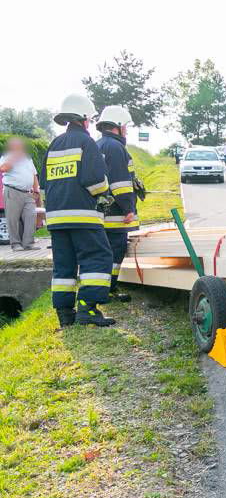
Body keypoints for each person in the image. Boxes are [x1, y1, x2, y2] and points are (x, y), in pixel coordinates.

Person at [40, 94, 114, 327]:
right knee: (98, 257)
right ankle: (87, 309)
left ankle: (65, 314)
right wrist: (105, 193)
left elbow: (43, 183)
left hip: (56, 218)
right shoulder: (86, 142)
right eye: (90, 120)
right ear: (83, 118)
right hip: (83, 215)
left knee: (64, 265)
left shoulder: (54, 144)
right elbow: (95, 181)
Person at [96, 106, 139, 303]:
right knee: (115, 250)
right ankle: (109, 288)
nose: (127, 131)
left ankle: (104, 288)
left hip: (100, 211)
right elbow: (120, 183)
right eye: (126, 127)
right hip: (115, 213)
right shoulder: (115, 147)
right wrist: (129, 208)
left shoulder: (97, 145)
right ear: (118, 126)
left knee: (102, 251)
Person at [0, 137, 41, 250]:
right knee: (13, 219)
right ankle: (16, 244)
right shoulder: (6, 157)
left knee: (30, 217)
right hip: (12, 191)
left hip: (28, 193)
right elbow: (3, 169)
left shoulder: (28, 159)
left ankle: (28, 243)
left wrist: (36, 189)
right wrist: (14, 158)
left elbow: (33, 175)